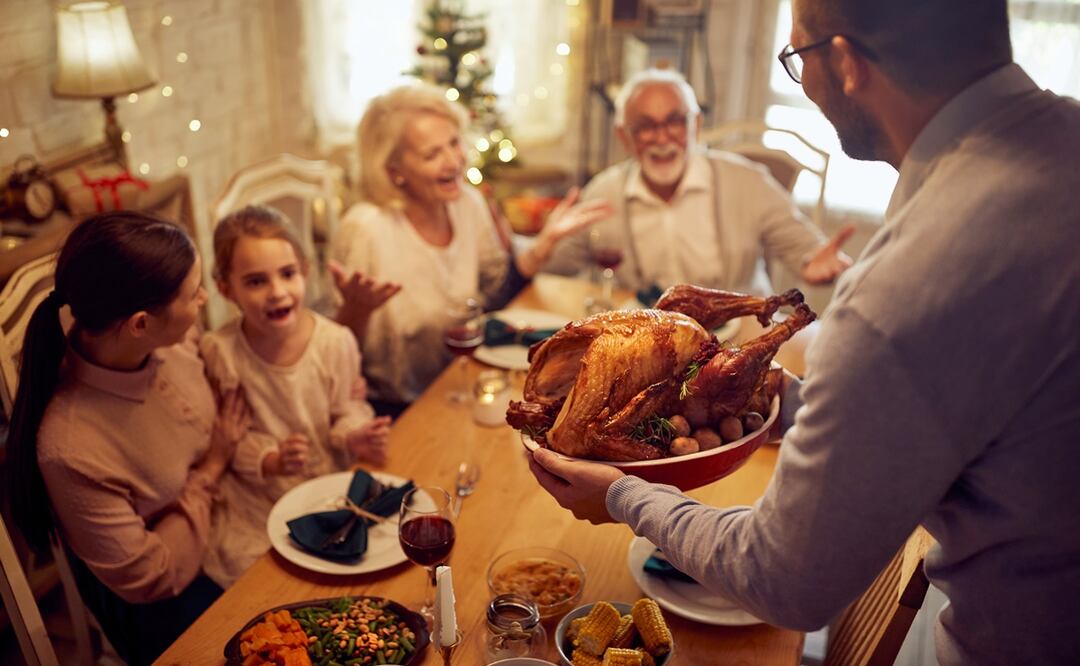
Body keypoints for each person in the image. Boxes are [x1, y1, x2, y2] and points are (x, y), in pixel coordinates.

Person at [528, 1, 1080, 664]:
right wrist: (799, 404)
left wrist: (621, 494)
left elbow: (783, 579)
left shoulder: (902, 287)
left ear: (845, 62)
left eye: (796, 58)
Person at [4, 212, 250, 665]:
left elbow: (210, 380)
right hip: (169, 597)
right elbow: (149, 576)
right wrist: (212, 468)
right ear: (140, 324)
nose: (205, 297)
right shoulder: (70, 448)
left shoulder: (169, 341)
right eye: (192, 292)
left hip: (228, 517)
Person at [329, 83, 612, 410]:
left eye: (453, 143)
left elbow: (494, 295)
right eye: (432, 154)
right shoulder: (366, 229)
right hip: (393, 407)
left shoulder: (467, 202)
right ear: (395, 173)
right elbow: (333, 353)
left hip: (462, 381)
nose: (454, 161)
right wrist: (356, 310)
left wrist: (540, 247)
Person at [200, 205, 390, 587]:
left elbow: (347, 408)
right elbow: (224, 433)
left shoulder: (335, 341)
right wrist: (269, 459)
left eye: (287, 274)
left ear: (304, 270)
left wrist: (354, 434)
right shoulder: (220, 352)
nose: (277, 292)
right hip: (261, 499)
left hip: (328, 487)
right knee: (270, 584)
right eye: (256, 281)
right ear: (226, 289)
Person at [544, 68, 853, 296]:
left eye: (675, 121)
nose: (662, 138)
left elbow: (805, 250)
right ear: (624, 136)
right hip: (650, 344)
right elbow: (555, 265)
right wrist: (542, 244)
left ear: (696, 124)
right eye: (645, 127)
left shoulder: (748, 182)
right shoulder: (603, 192)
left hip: (738, 342)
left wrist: (818, 265)